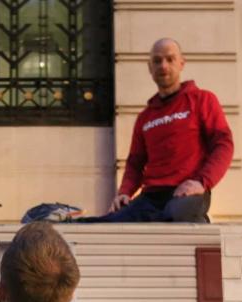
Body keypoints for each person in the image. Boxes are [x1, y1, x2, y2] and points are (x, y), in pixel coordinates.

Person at [90, 38, 233, 223]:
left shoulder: (202, 100)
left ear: (182, 63)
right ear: (150, 68)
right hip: (151, 196)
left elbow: (223, 144)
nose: (163, 65)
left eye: (170, 59)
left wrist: (202, 182)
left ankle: (200, 223)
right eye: (157, 61)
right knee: (110, 222)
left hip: (186, 192)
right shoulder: (145, 117)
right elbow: (135, 163)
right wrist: (124, 192)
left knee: (173, 216)